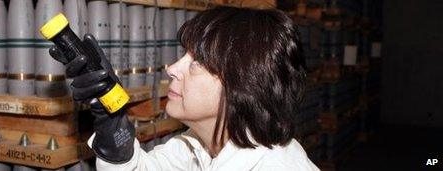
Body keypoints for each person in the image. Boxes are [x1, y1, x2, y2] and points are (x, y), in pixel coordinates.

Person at [49, 6, 319, 171]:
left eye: (197, 61)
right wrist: (113, 121)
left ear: (244, 83)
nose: (172, 68)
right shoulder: (198, 147)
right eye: (183, 55)